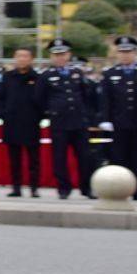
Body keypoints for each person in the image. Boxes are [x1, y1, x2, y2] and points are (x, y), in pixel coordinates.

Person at [100, 35, 137, 200]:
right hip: (119, 122)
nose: (125, 55)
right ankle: (120, 189)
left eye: (128, 51)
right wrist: (105, 119)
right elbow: (106, 99)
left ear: (135, 53)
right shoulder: (110, 74)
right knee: (119, 157)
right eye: (121, 52)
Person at [41, 39, 96, 199]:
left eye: (63, 54)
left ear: (69, 55)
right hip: (59, 122)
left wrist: (86, 115)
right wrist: (51, 112)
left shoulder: (77, 73)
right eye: (56, 55)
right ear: (51, 56)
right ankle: (63, 188)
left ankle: (87, 188)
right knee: (59, 157)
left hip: (79, 121)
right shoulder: (46, 76)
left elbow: (86, 96)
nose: (60, 58)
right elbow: (40, 98)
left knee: (85, 156)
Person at [0, 46, 44, 197]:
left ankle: (34, 188)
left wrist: (38, 116)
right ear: (15, 58)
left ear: (31, 59)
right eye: (19, 56)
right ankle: (16, 187)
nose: (22, 59)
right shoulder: (8, 77)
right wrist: (5, 114)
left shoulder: (37, 78)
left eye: (25, 56)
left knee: (34, 159)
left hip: (31, 123)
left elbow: (42, 101)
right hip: (12, 123)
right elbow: (1, 98)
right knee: (14, 159)